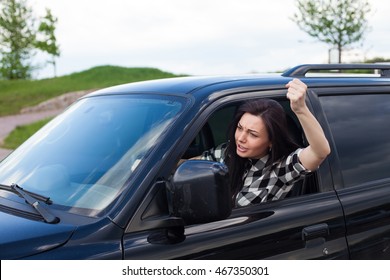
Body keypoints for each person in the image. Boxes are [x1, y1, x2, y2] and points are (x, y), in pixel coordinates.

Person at [200, 78, 331, 207]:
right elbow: (189, 166)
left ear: (271, 142)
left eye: (253, 134)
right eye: (239, 128)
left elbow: (320, 151)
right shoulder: (228, 151)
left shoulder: (280, 169)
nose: (241, 138)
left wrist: (300, 109)